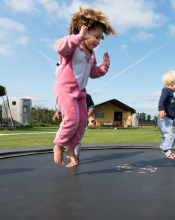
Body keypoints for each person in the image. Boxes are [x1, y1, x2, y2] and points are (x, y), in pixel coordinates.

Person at [53, 7, 116, 167]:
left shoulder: (92, 55)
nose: (98, 41)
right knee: (72, 119)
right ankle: (59, 145)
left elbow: (93, 73)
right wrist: (77, 38)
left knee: (82, 122)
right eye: (96, 36)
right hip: (65, 89)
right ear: (84, 31)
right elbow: (59, 47)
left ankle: (71, 148)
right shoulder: (73, 46)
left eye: (100, 38)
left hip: (80, 92)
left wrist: (104, 67)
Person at [52, 93, 95, 165]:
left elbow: (92, 107)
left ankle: (76, 157)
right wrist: (58, 112)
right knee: (65, 136)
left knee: (77, 139)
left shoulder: (86, 96)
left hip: (81, 123)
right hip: (71, 121)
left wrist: (85, 117)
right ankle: (68, 150)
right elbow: (68, 106)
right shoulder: (70, 94)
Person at [157, 70, 175, 159]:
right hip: (165, 118)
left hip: (167, 118)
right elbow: (161, 100)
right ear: (171, 83)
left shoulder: (169, 92)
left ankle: (165, 149)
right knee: (170, 135)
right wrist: (161, 109)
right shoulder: (166, 90)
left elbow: (170, 104)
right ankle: (168, 151)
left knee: (167, 135)